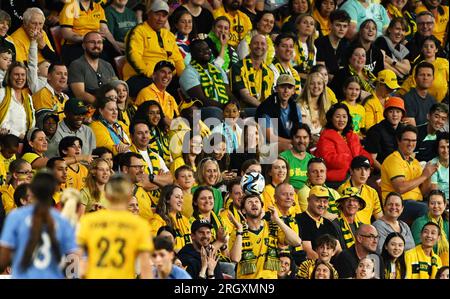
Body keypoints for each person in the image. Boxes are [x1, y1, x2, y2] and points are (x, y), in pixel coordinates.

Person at [0, 172, 78, 278]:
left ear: (33, 191)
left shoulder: (15, 217)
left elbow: (3, 257)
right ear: (54, 192)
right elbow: (73, 258)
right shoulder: (62, 220)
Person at [77, 173, 154, 279]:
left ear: (107, 195)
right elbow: (145, 268)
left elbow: (77, 260)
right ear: (128, 196)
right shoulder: (140, 225)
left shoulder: (88, 221)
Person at [230, 193, 302, 279]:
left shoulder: (273, 227)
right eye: (249, 202)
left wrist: (277, 220)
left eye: (257, 202)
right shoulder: (238, 232)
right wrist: (239, 232)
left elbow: (297, 242)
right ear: (243, 211)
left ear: (262, 208)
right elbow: (235, 259)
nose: (254, 204)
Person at [123, 0, 185, 97]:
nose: (160, 19)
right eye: (157, 14)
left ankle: (194, 113)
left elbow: (178, 60)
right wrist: (153, 74)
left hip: (166, 77)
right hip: (141, 77)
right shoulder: (138, 31)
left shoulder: (168, 35)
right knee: (154, 88)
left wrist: (184, 78)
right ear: (149, 14)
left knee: (189, 88)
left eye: (164, 16)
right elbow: (133, 57)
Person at [380, 125, 438, 224]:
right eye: (407, 140)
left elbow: (424, 192)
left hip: (416, 203)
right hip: (398, 204)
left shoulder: (415, 162)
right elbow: (400, 188)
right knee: (426, 208)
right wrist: (424, 176)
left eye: (414, 140)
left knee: (438, 207)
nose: (411, 144)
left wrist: (428, 175)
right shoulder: (394, 159)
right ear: (399, 141)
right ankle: (418, 239)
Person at [314, 103, 373, 189]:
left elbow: (361, 152)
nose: (341, 120)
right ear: (331, 118)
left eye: (344, 116)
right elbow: (328, 158)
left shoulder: (351, 135)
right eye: (338, 116)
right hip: (337, 178)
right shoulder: (326, 136)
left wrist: (366, 160)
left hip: (355, 173)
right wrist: (353, 161)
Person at [59, 0, 122, 66]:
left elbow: (105, 31)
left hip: (95, 42)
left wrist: (116, 48)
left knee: (112, 55)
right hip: (75, 44)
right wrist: (87, 38)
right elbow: (66, 33)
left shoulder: (98, 7)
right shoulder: (69, 7)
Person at [128, 120, 173, 208]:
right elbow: (143, 183)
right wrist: (160, 182)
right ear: (132, 136)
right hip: (140, 204)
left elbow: (170, 180)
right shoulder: (128, 154)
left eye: (146, 132)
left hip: (159, 205)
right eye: (140, 133)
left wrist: (151, 178)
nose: (144, 136)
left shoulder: (156, 155)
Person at [68, 31, 118, 104]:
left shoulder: (108, 65)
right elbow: (80, 94)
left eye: (99, 42)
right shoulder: (76, 65)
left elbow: (115, 86)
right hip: (89, 108)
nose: (96, 45)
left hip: (109, 107)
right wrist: (102, 105)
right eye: (92, 42)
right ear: (84, 46)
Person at [255, 74, 302, 152]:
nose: (286, 90)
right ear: (276, 89)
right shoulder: (267, 107)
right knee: (289, 147)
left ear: (293, 91)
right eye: (283, 87)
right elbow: (269, 137)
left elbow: (300, 129)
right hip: (267, 146)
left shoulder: (295, 107)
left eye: (289, 87)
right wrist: (293, 142)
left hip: (291, 142)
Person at [179, 39, 231, 108]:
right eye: (200, 50)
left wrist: (237, 107)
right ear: (192, 54)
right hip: (200, 111)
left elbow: (228, 93)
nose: (206, 52)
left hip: (224, 108)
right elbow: (201, 100)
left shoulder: (218, 69)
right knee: (215, 112)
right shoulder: (188, 73)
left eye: (207, 49)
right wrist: (226, 108)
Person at [295, 186, 341, 260]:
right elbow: (308, 251)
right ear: (308, 200)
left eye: (325, 201)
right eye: (318, 200)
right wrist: (325, 265)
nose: (322, 204)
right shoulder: (300, 219)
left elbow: (338, 250)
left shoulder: (329, 223)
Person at [400, 36, 449, 103]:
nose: (428, 48)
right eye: (425, 46)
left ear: (436, 49)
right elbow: (413, 84)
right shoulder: (418, 66)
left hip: (444, 101)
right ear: (422, 49)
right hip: (424, 101)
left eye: (431, 46)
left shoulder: (444, 62)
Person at [231, 34, 274, 107]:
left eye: (262, 44)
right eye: (256, 43)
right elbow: (244, 96)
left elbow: (271, 96)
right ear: (249, 46)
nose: (259, 46)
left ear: (267, 48)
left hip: (264, 110)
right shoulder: (238, 67)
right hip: (244, 109)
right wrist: (264, 108)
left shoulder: (269, 72)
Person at [364, 96, 406, 172]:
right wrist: (386, 173)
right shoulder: (375, 130)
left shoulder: (405, 130)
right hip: (380, 172)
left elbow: (410, 152)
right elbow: (372, 158)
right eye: (391, 111)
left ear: (402, 114)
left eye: (398, 112)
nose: (395, 115)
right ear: (385, 113)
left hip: (401, 169)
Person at [337, 156, 383, 225]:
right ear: (351, 171)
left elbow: (380, 218)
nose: (363, 173)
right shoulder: (343, 190)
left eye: (366, 169)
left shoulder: (372, 192)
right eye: (358, 169)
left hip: (367, 232)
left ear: (369, 172)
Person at [411, 190, 449, 266]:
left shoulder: (446, 223)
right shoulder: (419, 222)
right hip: (425, 261)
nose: (436, 206)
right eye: (432, 203)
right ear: (428, 205)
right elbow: (420, 248)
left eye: (439, 203)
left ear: (444, 205)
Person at [149, 184, 192, 252]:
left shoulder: (185, 220)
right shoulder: (157, 221)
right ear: (167, 199)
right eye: (177, 197)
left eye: (182, 197)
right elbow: (152, 245)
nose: (181, 200)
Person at [0, 62, 35, 139]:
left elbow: (32, 124)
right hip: (5, 142)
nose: (20, 78)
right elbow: (2, 125)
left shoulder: (28, 97)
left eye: (23, 75)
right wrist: (18, 135)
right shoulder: (2, 93)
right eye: (16, 74)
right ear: (9, 76)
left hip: (24, 142)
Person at [118, 152, 155, 222]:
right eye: (137, 167)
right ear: (125, 169)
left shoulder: (141, 190)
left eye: (142, 167)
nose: (142, 171)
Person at [315, 10, 351, 80]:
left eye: (345, 26)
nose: (341, 29)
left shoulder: (346, 44)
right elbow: (321, 73)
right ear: (330, 25)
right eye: (338, 25)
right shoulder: (320, 43)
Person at [374, 18, 411, 83]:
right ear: (389, 29)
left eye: (403, 30)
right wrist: (399, 75)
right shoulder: (381, 41)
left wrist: (392, 62)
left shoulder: (402, 49)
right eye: (397, 29)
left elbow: (407, 70)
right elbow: (382, 63)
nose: (400, 33)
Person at [402, 61, 438, 127]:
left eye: (429, 75)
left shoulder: (433, 100)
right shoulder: (407, 99)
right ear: (415, 78)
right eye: (422, 75)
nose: (425, 78)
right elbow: (411, 130)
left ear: (433, 78)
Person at [280, 123, 314, 191]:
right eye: (298, 137)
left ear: (309, 139)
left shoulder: (312, 160)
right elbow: (279, 183)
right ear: (292, 139)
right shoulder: (283, 158)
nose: (301, 141)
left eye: (305, 137)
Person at [297, 72, 330, 139]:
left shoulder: (327, 106)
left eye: (319, 83)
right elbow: (304, 130)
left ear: (323, 87)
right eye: (312, 83)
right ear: (307, 86)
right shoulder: (300, 105)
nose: (316, 86)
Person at [292, 13, 317, 82]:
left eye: (311, 24)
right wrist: (302, 75)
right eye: (305, 23)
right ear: (297, 25)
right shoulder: (291, 44)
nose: (308, 25)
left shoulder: (313, 48)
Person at [431, 133, 449, 199]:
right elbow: (435, 193)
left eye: (448, 147)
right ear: (437, 149)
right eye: (442, 147)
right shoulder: (433, 164)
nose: (446, 150)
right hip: (441, 202)